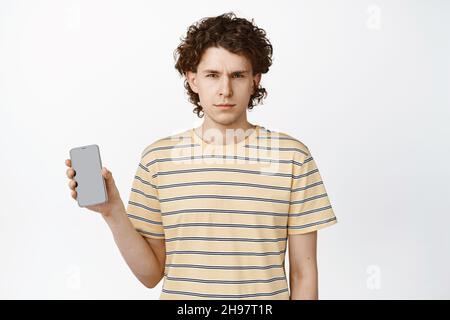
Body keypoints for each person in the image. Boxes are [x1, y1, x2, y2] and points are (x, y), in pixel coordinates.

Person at [65, 12, 337, 300]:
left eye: (238, 75)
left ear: (255, 80)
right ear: (193, 80)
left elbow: (303, 274)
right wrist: (113, 212)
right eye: (212, 75)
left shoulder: (292, 157)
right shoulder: (158, 158)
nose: (225, 90)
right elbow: (150, 275)